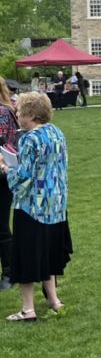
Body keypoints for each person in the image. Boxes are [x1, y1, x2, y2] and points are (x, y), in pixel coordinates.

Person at [1, 92, 70, 320]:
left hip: (32, 207)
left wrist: (6, 169)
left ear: (30, 114)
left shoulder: (30, 139)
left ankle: (27, 309)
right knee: (48, 254)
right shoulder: (56, 132)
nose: (17, 115)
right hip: (56, 205)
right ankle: (54, 299)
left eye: (19, 111)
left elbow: (23, 178)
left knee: (28, 256)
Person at [0, 77, 20, 291]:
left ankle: (9, 271)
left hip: (2, 174)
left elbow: (4, 144)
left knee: (1, 227)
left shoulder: (3, 112)